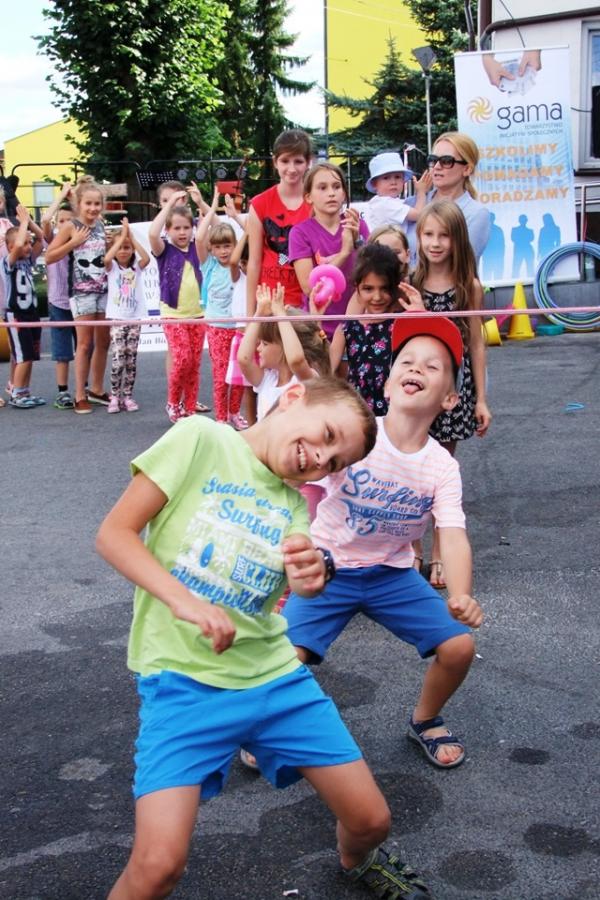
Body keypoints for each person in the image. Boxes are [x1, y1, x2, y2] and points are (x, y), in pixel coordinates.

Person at [96, 376, 432, 900]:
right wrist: (184, 601)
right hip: (184, 686)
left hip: (276, 682)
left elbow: (303, 564)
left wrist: (314, 573)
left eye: (333, 463)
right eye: (326, 436)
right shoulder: (200, 438)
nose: (319, 459)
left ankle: (356, 861)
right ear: (293, 397)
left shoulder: (294, 504)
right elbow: (114, 534)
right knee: (158, 866)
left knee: (372, 821)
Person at [283, 316, 483, 772]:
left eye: (432, 366)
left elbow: (452, 533)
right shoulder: (357, 437)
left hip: (391, 575)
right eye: (406, 362)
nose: (416, 368)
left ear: (449, 399)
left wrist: (461, 594)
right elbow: (301, 467)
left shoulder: (441, 466)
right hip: (328, 569)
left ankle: (425, 719)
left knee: (458, 648)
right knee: (282, 659)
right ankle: (273, 725)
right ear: (388, 384)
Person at [412, 200, 492, 586]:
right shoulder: (411, 284)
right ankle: (412, 551)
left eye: (443, 235)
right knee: (410, 471)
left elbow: (476, 342)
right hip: (416, 390)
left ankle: (440, 552)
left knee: (440, 472)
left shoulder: (468, 287)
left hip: (453, 391)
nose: (435, 243)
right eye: (428, 234)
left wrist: (481, 398)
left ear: (458, 239)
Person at [45, 175, 110, 414]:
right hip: (81, 292)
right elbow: (50, 256)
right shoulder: (71, 226)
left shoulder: (100, 225)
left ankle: (96, 389)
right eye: (88, 204)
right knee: (84, 343)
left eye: (97, 204)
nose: (93, 208)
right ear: (79, 204)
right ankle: (79, 394)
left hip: (103, 288)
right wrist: (74, 243)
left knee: (104, 341)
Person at [288, 163, 370, 340]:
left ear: (344, 193)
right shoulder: (300, 232)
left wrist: (358, 243)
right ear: (308, 197)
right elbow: (309, 287)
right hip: (319, 327)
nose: (331, 193)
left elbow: (371, 273)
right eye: (322, 188)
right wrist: (344, 252)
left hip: (357, 324)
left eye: (336, 186)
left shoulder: (357, 225)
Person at [149, 190, 205, 423]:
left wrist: (202, 203)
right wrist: (170, 203)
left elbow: (215, 226)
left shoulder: (198, 247)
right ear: (168, 230)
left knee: (194, 364)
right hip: (173, 314)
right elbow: (153, 233)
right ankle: (173, 402)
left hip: (198, 315)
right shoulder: (164, 250)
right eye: (177, 228)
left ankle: (190, 406)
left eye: (186, 228)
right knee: (181, 359)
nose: (182, 232)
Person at [238, 283, 330, 422]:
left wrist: (281, 315)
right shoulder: (266, 380)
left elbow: (296, 360)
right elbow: (243, 359)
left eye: (265, 343)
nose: (258, 349)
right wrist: (259, 314)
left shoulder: (303, 379)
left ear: (285, 347)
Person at [329, 243, 403, 416]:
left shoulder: (403, 323)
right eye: (368, 289)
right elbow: (326, 369)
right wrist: (317, 317)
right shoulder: (347, 327)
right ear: (357, 288)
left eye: (385, 288)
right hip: (359, 415)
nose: (377, 297)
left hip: (396, 414)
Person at [195, 187, 245, 427]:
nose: (223, 251)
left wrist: (235, 216)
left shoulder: (240, 265)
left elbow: (251, 234)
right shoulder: (209, 266)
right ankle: (221, 418)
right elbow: (199, 239)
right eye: (218, 247)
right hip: (216, 327)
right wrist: (210, 207)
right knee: (220, 373)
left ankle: (234, 412)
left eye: (228, 246)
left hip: (239, 327)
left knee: (239, 373)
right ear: (212, 249)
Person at [406, 132, 491, 265]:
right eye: (433, 160)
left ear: (467, 169)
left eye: (446, 161)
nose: (437, 166)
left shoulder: (476, 213)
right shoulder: (411, 204)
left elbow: (463, 267)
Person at [104, 218, 150, 413]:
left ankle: (128, 396)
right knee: (118, 358)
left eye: (127, 247)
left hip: (134, 319)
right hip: (117, 319)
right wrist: (122, 236)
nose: (123, 251)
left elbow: (146, 258)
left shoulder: (136, 269)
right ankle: (114, 396)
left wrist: (131, 238)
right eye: (120, 248)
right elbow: (107, 259)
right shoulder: (112, 268)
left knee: (131, 359)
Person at [1, 205, 45, 408]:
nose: (28, 246)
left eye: (29, 243)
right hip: (16, 314)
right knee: (22, 356)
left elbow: (42, 238)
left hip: (31, 313)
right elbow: (18, 245)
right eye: (25, 243)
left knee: (31, 355)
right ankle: (16, 393)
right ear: (9, 247)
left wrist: (30, 223)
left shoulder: (28, 261)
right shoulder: (7, 262)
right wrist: (23, 223)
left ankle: (25, 390)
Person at [41, 183, 77, 409]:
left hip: (80, 301)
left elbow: (90, 219)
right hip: (59, 301)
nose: (65, 225)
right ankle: (62, 391)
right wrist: (62, 195)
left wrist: (75, 201)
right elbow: (45, 220)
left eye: (69, 221)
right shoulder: (51, 238)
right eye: (61, 221)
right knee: (62, 351)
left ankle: (84, 387)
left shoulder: (81, 237)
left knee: (85, 347)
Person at [225, 205, 250, 430]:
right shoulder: (238, 276)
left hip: (258, 336)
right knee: (240, 382)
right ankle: (227, 415)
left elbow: (258, 235)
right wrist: (246, 230)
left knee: (253, 384)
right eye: (244, 262)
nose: (244, 265)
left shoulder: (262, 276)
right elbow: (233, 261)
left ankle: (250, 417)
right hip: (241, 334)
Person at [363, 151, 432, 232]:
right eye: (386, 178)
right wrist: (421, 192)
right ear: (374, 184)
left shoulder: (383, 201)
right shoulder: (385, 204)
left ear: (403, 180)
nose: (393, 182)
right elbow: (418, 215)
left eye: (397, 177)